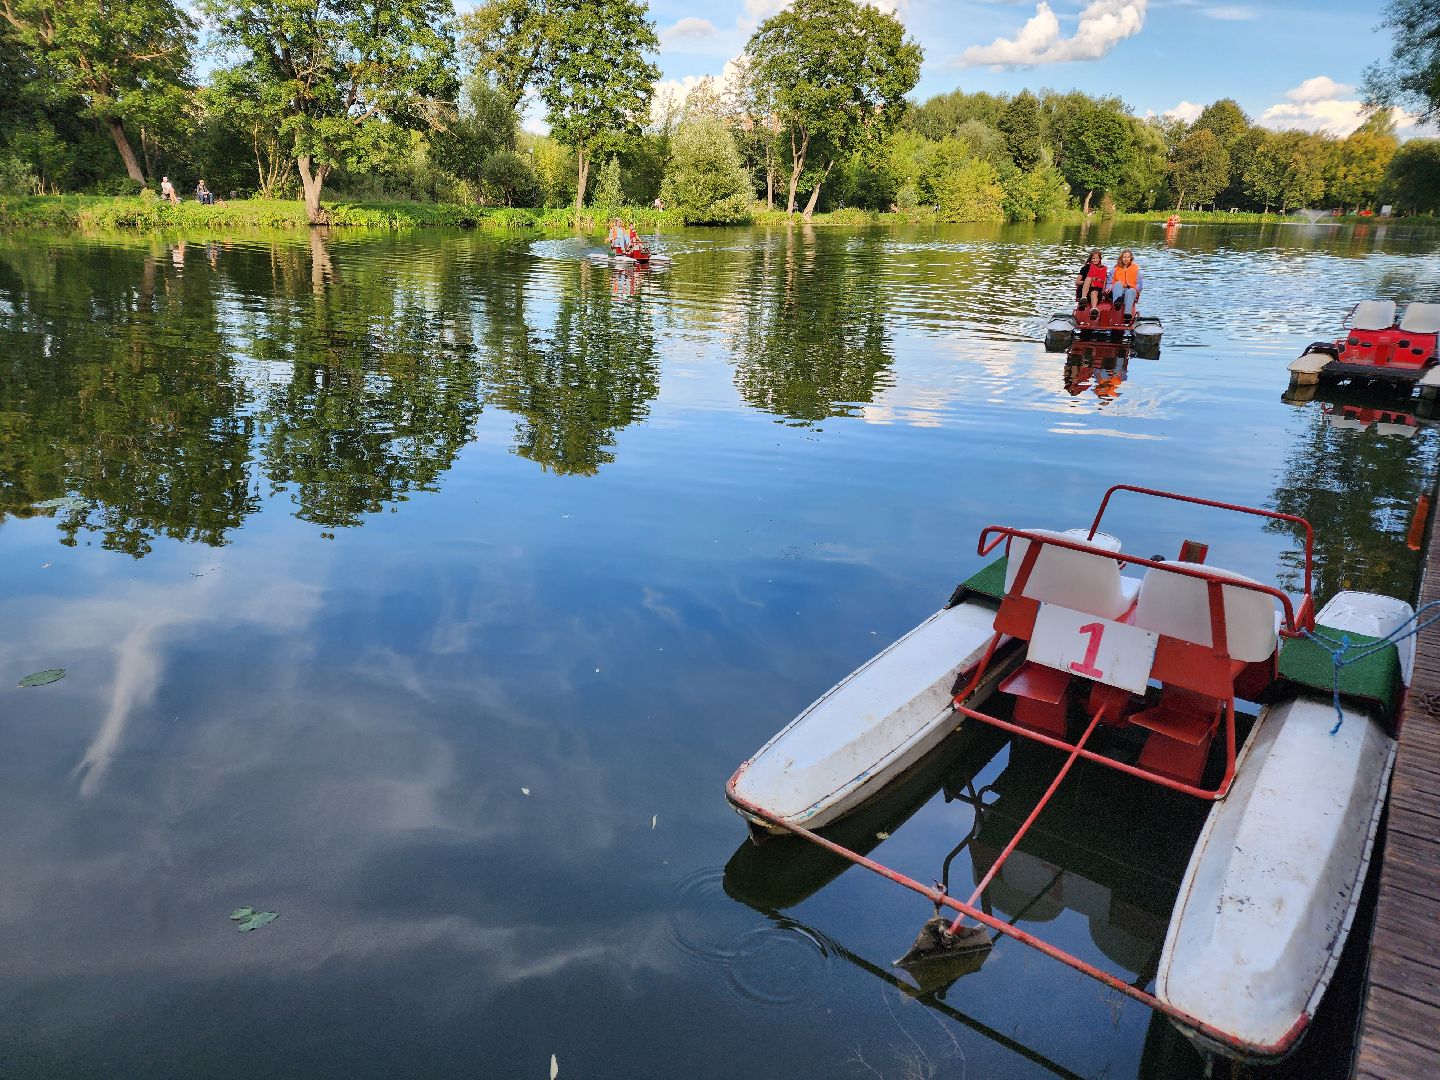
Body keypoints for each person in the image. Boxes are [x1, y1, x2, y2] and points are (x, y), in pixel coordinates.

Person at [1107, 249, 1143, 322]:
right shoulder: (1115, 269)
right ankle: (1117, 303)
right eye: (1124, 257)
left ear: (1131, 258)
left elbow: (1139, 284)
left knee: (1131, 291)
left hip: (1130, 289)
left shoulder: (1135, 269)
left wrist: (1136, 290)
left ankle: (1127, 315)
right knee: (1118, 283)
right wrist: (1108, 289)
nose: (1126, 259)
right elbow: (1109, 282)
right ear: (1121, 258)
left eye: (1128, 257)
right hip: (1118, 289)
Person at [1074, 248, 1106, 317]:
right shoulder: (1085, 268)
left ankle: (1094, 309)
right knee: (1088, 278)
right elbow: (1077, 282)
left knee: (1094, 292)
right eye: (1093, 258)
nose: (1095, 260)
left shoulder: (1102, 269)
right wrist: (1086, 282)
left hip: (1096, 292)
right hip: (1084, 290)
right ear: (1090, 259)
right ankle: (1083, 299)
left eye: (1097, 258)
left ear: (1100, 259)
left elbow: (1104, 282)